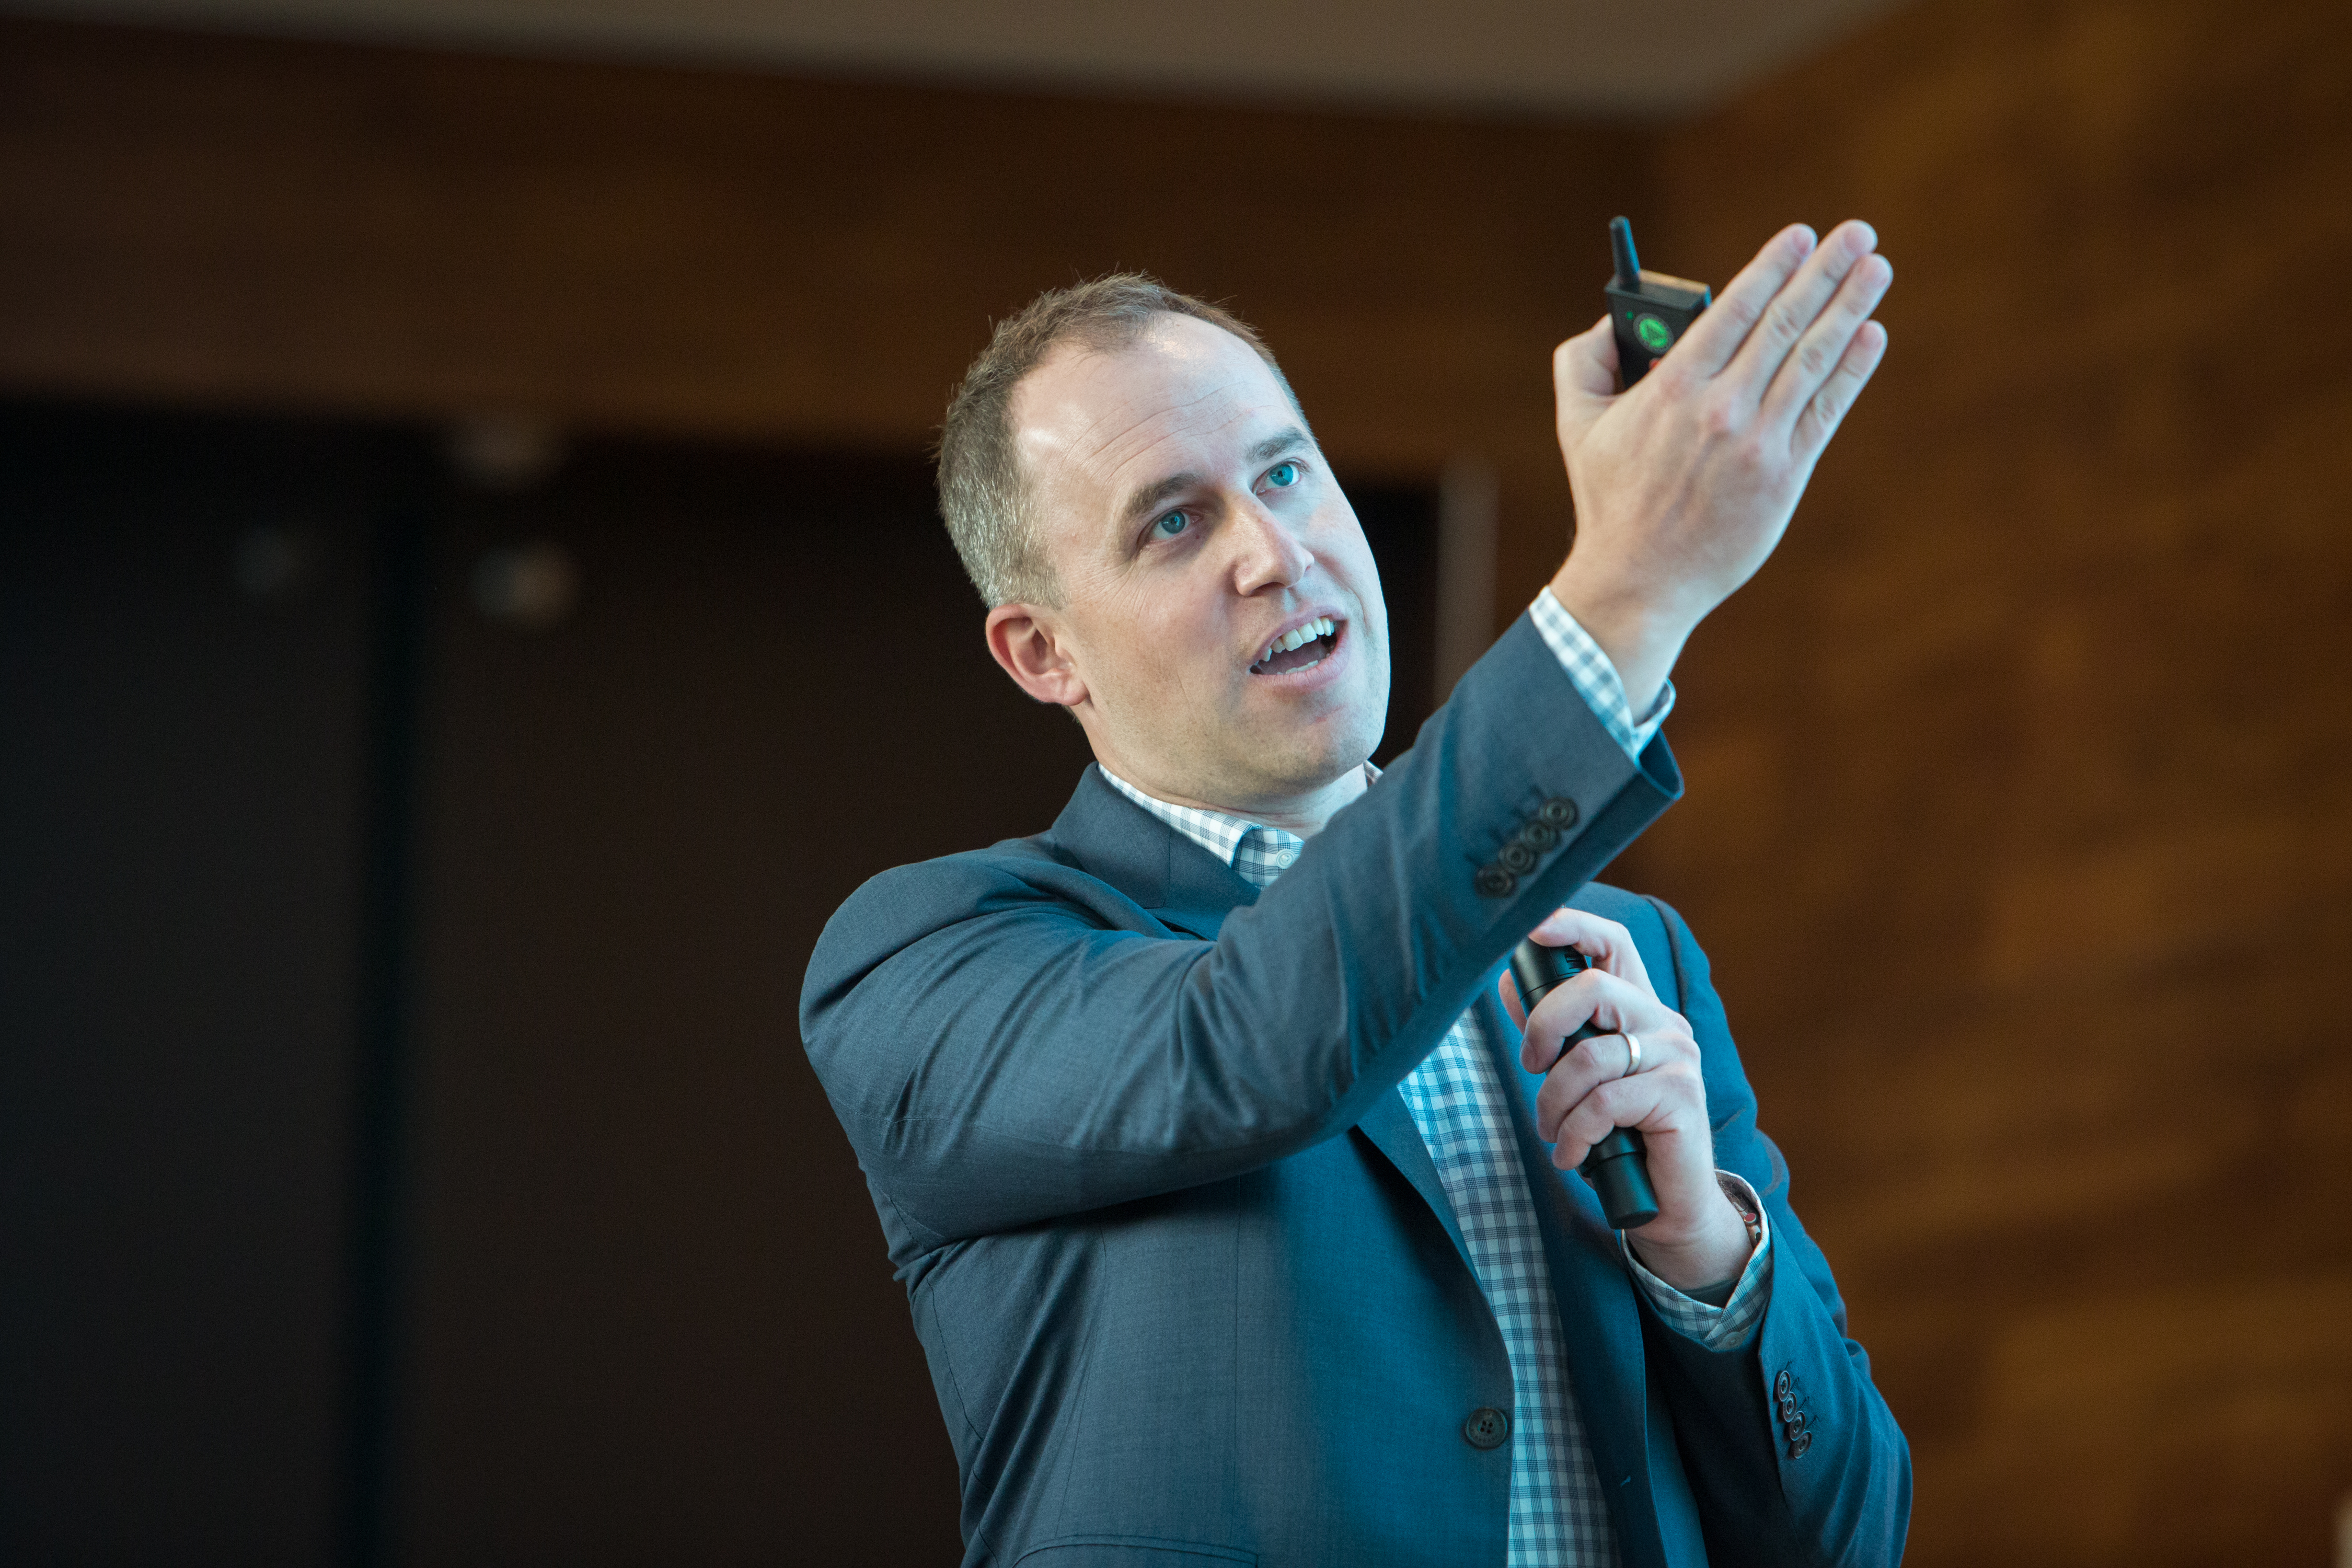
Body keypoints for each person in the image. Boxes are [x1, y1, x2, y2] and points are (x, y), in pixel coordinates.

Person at [802, 222, 1909, 1567]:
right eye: (1174, 522)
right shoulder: (929, 960)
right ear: (1045, 654)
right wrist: (1624, 598)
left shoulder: (1632, 954)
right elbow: (1253, 1044)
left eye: (1286, 473)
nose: (1273, 552)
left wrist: (1706, 1257)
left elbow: (1850, 1536)